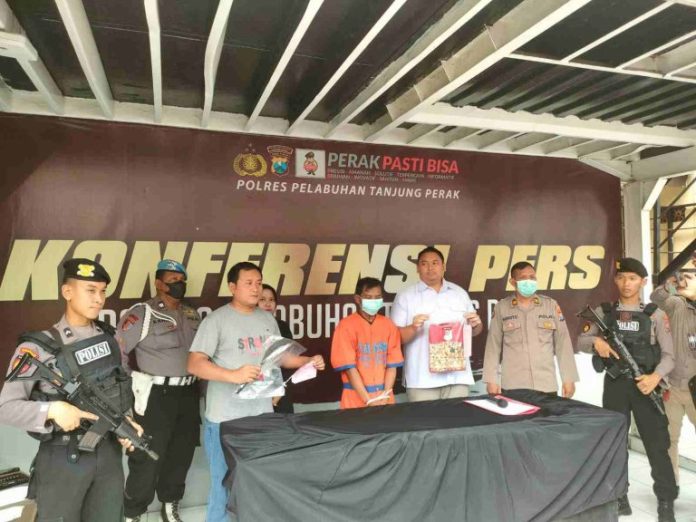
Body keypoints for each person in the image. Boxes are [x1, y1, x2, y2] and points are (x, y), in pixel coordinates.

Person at [0, 258, 142, 522]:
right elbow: (5, 408)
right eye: (90, 290)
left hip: (108, 456)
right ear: (67, 292)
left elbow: (117, 390)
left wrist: (126, 422)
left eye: (103, 291)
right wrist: (52, 410)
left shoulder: (111, 340)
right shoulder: (38, 348)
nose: (98, 299)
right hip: (63, 457)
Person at [187, 262, 325, 522]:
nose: (255, 288)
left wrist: (307, 361)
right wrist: (233, 375)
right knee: (224, 482)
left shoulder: (267, 319)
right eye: (249, 283)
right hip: (225, 419)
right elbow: (194, 364)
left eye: (259, 283)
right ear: (232, 287)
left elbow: (280, 357)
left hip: (261, 416)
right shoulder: (216, 320)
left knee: (258, 480)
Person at [577, 257, 677, 522]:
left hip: (646, 385)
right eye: (621, 278)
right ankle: (620, 496)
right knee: (615, 443)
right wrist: (596, 342)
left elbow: (670, 356)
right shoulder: (605, 312)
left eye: (632, 278)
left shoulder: (655, 314)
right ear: (615, 280)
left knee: (657, 445)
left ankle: (665, 501)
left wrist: (655, 377)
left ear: (642, 282)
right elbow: (580, 340)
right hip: (616, 385)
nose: (626, 283)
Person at [116, 260, 201, 522]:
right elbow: (118, 352)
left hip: (188, 393)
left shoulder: (192, 314)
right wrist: (130, 386)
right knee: (145, 457)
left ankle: (170, 505)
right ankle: (133, 513)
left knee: (181, 453)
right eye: (173, 280)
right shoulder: (142, 313)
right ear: (158, 283)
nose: (179, 285)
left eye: (182, 280)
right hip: (155, 396)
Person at [391, 246, 483, 401]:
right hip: (422, 380)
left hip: (457, 377)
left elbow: (475, 330)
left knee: (458, 417)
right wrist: (413, 328)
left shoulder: (459, 293)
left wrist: (476, 325)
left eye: (435, 263)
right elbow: (395, 338)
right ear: (417, 268)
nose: (430, 268)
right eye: (424, 263)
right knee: (426, 418)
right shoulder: (405, 296)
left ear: (443, 266)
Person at [482, 261, 578, 398]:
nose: (529, 281)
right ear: (513, 282)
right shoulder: (501, 308)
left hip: (545, 384)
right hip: (513, 385)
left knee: (547, 414)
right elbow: (493, 346)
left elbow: (563, 343)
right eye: (523, 278)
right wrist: (491, 379)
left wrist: (568, 378)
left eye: (532, 277)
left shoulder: (550, 306)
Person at [650, 267, 696, 486]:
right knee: (669, 439)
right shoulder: (678, 305)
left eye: (691, 277)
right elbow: (657, 296)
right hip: (674, 387)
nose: (685, 281)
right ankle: (670, 486)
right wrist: (671, 283)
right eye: (684, 277)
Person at [331, 277, 403, 409]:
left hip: (384, 397)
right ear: (358, 299)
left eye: (377, 297)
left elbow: (392, 366)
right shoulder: (346, 326)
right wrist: (368, 400)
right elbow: (349, 368)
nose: (374, 301)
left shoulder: (388, 325)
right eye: (369, 297)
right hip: (356, 397)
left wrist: (385, 395)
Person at [258, 284, 294, 413]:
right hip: (255, 390)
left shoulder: (282, 327)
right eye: (262, 299)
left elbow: (288, 361)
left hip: (280, 390)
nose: (268, 304)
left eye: (271, 300)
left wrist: (280, 388)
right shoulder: (245, 327)